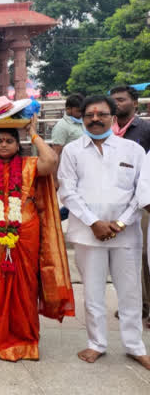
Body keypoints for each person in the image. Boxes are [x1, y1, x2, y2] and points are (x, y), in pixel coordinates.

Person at [0, 115, 72, 361]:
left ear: (18, 145)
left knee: (25, 287)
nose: (4, 145)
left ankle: (25, 338)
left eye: (10, 140)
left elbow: (51, 160)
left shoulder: (30, 164)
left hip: (25, 235)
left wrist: (32, 132)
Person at [59, 94, 150, 369]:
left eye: (101, 114)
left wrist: (121, 222)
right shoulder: (72, 151)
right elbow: (67, 191)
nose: (95, 119)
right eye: (89, 115)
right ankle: (96, 343)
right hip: (88, 234)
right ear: (82, 118)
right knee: (93, 292)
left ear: (113, 117)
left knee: (130, 291)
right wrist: (94, 222)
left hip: (127, 232)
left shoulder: (132, 150)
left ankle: (135, 346)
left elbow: (141, 192)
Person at [109, 85, 150, 324]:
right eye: (113, 100)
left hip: (142, 201)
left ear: (135, 103)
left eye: (122, 100)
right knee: (124, 256)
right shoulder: (107, 130)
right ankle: (136, 304)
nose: (117, 104)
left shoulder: (144, 128)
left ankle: (146, 304)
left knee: (144, 254)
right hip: (116, 199)